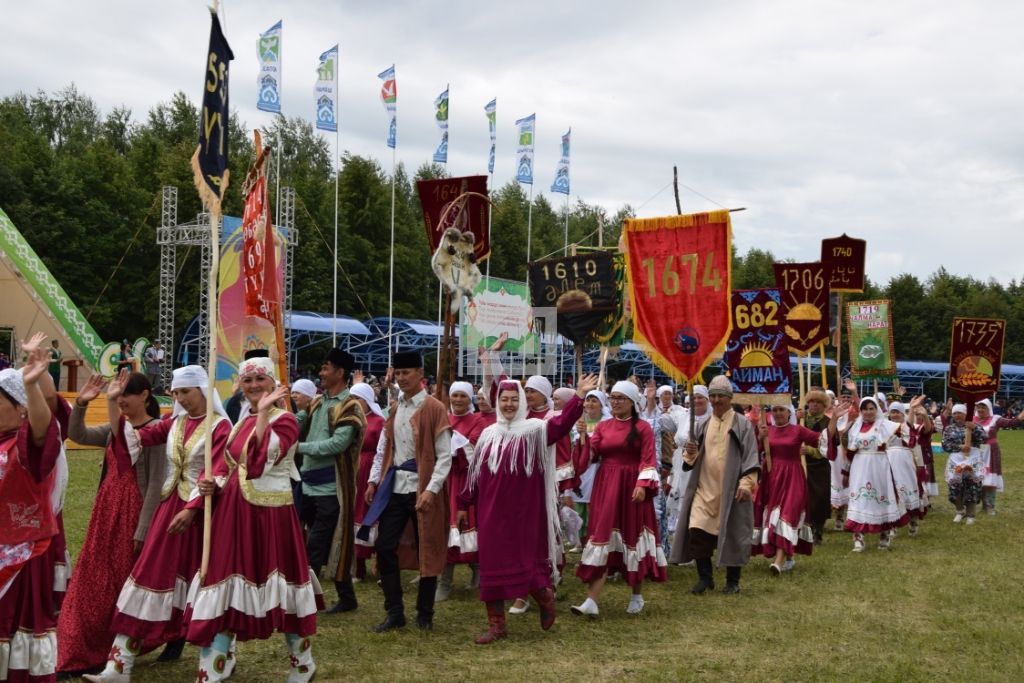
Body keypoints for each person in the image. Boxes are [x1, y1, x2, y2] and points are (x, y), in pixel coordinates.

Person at [85, 365, 232, 682]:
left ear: (203, 391)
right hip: (169, 510)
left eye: (186, 392)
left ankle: (216, 662)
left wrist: (192, 509)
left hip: (203, 515)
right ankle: (119, 665)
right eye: (176, 393)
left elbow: (218, 470)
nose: (180, 398)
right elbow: (129, 440)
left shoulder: (220, 428)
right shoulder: (174, 423)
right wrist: (112, 402)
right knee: (146, 576)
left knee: (205, 584)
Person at [184, 356, 322, 683]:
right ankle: (212, 671)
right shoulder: (242, 419)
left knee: (282, 591)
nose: (254, 386)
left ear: (274, 382)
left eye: (260, 379)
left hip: (270, 516)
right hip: (232, 513)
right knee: (223, 586)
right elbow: (229, 465)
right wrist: (211, 483)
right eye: (248, 381)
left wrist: (262, 414)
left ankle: (303, 664)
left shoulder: (286, 420)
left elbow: (259, 463)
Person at [458, 374, 596, 643]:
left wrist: (578, 397)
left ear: (521, 402)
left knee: (526, 561)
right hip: (491, 514)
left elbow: (560, 425)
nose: (508, 405)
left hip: (524, 512)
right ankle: (497, 625)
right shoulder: (488, 434)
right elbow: (474, 475)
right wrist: (463, 504)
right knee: (492, 565)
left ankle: (544, 597)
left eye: (513, 400)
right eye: (504, 400)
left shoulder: (535, 429)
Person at [56, 371, 164, 675]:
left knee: (119, 581)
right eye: (118, 395)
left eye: (126, 393)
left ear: (144, 395)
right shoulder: (119, 428)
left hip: (132, 512)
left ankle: (109, 645)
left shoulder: (155, 431)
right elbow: (78, 435)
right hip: (107, 510)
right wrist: (80, 404)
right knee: (93, 577)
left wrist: (144, 527)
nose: (122, 399)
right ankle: (81, 645)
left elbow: (155, 483)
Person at [359, 351, 451, 632]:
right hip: (395, 487)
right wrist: (374, 480)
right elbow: (384, 449)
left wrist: (431, 490)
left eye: (406, 373)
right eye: (397, 374)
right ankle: (394, 611)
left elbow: (444, 456)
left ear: (420, 373)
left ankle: (425, 613)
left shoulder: (434, 408)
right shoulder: (395, 408)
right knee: (385, 546)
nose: (401, 378)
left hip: (423, 490)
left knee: (428, 548)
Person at [572, 380, 667, 616]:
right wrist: (583, 439)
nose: (615, 402)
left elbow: (648, 458)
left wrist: (643, 485)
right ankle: (591, 601)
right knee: (603, 535)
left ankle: (637, 594)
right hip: (606, 486)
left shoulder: (643, 427)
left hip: (632, 486)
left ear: (632, 402)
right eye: (612, 398)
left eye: (620, 398)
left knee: (631, 535)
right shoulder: (603, 427)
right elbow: (590, 457)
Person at [0, 334, 64, 683]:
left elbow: (42, 429)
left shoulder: (26, 446)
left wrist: (31, 383)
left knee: (12, 630)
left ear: (19, 407)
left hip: (20, 554)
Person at [670, 375, 760, 594]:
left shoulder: (742, 424)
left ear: (730, 398)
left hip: (731, 490)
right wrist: (690, 454)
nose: (717, 400)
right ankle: (705, 577)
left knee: (733, 533)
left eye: (721, 396)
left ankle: (732, 581)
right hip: (704, 488)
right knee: (697, 529)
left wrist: (746, 483)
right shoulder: (702, 424)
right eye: (714, 396)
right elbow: (692, 457)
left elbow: (751, 455)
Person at [295, 348, 365, 614]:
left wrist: (298, 448)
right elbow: (295, 423)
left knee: (318, 545)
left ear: (340, 373)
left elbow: (337, 444)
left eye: (325, 368)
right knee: (318, 541)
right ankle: (347, 598)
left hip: (332, 488)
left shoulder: (351, 406)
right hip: (308, 485)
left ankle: (306, 601)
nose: (321, 374)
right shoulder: (316, 402)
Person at [752, 402, 825, 574]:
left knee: (787, 515)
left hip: (793, 477)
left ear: (789, 412)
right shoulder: (766, 430)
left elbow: (821, 439)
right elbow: (755, 452)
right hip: (772, 477)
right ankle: (788, 557)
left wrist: (835, 420)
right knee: (775, 517)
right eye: (775, 410)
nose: (777, 413)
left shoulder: (798, 430)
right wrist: (759, 437)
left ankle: (778, 562)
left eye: (781, 410)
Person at [437, 381, 485, 602]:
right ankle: (444, 582)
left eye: (462, 396)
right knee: (445, 528)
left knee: (465, 526)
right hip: (444, 478)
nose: (457, 400)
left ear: (470, 398)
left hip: (466, 480)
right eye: (454, 395)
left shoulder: (477, 420)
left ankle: (477, 569)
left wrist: (449, 441)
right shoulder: (443, 418)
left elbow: (473, 449)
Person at [841, 396, 909, 551]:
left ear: (877, 409)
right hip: (859, 466)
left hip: (879, 466)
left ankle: (884, 535)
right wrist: (845, 472)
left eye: (872, 408)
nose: (868, 412)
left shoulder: (885, 425)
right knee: (859, 500)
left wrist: (889, 440)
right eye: (865, 408)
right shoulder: (855, 428)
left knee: (881, 498)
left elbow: (908, 436)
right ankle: (858, 538)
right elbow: (850, 453)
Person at [665, 386, 711, 544]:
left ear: (707, 399)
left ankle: (695, 543)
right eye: (693, 398)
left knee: (696, 504)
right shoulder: (683, 416)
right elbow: (659, 422)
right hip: (681, 464)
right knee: (682, 504)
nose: (696, 401)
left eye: (700, 397)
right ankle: (682, 543)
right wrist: (651, 400)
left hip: (703, 466)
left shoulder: (713, 419)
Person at [568, 390, 612, 550]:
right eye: (588, 400)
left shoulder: (607, 422)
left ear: (601, 404)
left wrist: (587, 437)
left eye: (595, 401)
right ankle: (581, 540)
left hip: (599, 468)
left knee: (595, 504)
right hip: (582, 469)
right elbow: (575, 445)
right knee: (579, 502)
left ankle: (595, 537)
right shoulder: (579, 421)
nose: (590, 404)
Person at [351, 381, 386, 580]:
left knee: (371, 514)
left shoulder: (378, 421)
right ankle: (359, 567)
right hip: (353, 470)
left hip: (371, 469)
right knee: (355, 515)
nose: (355, 402)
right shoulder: (351, 420)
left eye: (358, 399)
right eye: (352, 399)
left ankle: (381, 566)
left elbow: (383, 449)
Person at [885, 400, 928, 537]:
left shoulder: (911, 426)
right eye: (892, 411)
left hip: (905, 460)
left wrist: (913, 408)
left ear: (903, 413)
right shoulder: (885, 426)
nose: (895, 414)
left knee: (908, 488)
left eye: (897, 411)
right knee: (891, 491)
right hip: (888, 460)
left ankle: (913, 521)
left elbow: (913, 431)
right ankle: (893, 525)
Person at [974, 398, 1023, 515]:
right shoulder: (971, 419)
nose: (980, 409)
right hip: (975, 452)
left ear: (989, 408)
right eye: (979, 407)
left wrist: (1020, 417)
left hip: (991, 452)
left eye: (983, 407)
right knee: (976, 478)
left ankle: (989, 506)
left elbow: (1011, 423)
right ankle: (978, 505)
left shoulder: (995, 419)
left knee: (990, 478)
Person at [941, 404, 987, 525]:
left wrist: (974, 429)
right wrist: (959, 447)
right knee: (955, 486)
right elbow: (945, 445)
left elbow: (984, 439)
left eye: (960, 413)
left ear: (966, 414)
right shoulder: (949, 428)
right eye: (955, 413)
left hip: (972, 459)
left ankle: (971, 514)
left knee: (972, 485)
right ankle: (960, 511)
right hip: (956, 460)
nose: (957, 415)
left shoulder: (974, 426)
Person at [801, 389, 832, 544]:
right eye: (812, 401)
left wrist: (811, 450)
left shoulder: (827, 422)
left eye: (818, 402)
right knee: (802, 497)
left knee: (819, 498)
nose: (814, 405)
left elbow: (831, 445)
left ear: (824, 405)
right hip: (801, 464)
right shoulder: (801, 419)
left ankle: (818, 529)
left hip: (819, 466)